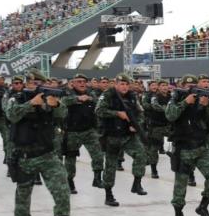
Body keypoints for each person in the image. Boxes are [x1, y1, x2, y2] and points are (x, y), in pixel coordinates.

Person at [4, 70, 76, 216]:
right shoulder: (17, 99)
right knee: (23, 196)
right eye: (31, 82)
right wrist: (30, 104)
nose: (34, 85)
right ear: (26, 83)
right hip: (24, 156)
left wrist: (55, 105)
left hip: (47, 154)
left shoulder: (50, 100)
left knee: (62, 189)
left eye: (38, 82)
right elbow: (11, 115)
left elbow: (63, 115)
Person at [164, 75, 209, 216]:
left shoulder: (203, 98)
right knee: (180, 186)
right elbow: (170, 115)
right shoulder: (175, 98)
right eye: (187, 86)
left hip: (201, 147)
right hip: (183, 149)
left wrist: (207, 105)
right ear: (181, 86)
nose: (191, 88)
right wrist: (184, 102)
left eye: (194, 85)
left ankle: (203, 206)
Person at [96, 74, 148, 206]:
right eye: (122, 84)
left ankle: (137, 183)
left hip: (128, 135)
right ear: (116, 84)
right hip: (112, 135)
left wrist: (136, 125)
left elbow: (140, 112)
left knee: (141, 153)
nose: (124, 87)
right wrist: (117, 113)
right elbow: (99, 110)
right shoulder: (108, 94)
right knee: (110, 166)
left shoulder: (132, 95)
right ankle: (109, 195)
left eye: (126, 84)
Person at [59, 74, 105, 193]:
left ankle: (97, 178)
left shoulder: (91, 93)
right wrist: (77, 99)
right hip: (73, 131)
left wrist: (90, 98)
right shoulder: (67, 93)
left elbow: (99, 102)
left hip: (89, 130)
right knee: (70, 158)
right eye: (78, 81)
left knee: (98, 155)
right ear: (73, 83)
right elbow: (61, 102)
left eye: (84, 81)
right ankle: (70, 181)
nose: (82, 83)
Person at [142, 79, 172, 179]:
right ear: (159, 87)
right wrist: (168, 109)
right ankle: (154, 170)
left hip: (168, 125)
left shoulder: (171, 96)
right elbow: (155, 106)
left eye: (166, 85)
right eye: (162, 85)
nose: (165, 87)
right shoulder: (154, 97)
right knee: (154, 148)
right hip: (156, 126)